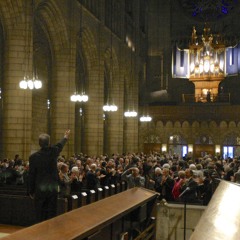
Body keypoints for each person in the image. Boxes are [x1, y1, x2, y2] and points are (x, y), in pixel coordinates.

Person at [28, 129, 70, 223]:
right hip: (52, 188)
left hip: (39, 188)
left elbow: (31, 175)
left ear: (39, 143)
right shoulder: (53, 152)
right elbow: (60, 145)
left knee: (40, 213)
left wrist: (31, 190)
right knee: (51, 212)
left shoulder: (33, 157)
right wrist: (65, 137)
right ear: (49, 142)